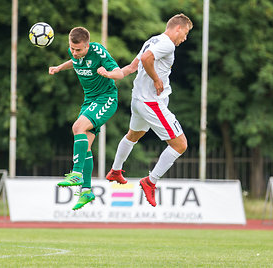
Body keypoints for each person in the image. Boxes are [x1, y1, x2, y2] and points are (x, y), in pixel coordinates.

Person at [105, 14, 193, 207]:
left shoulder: (152, 40)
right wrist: (156, 79)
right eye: (185, 33)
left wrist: (112, 74)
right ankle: (150, 181)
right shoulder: (168, 44)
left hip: (137, 100)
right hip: (151, 102)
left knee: (132, 136)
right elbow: (146, 59)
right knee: (180, 145)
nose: (184, 39)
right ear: (178, 28)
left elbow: (131, 67)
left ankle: (116, 170)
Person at [49, 26, 124, 210]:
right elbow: (75, 62)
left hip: (106, 98)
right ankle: (87, 191)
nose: (74, 53)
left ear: (87, 45)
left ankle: (77, 173)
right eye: (72, 49)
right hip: (89, 101)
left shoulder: (98, 51)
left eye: (78, 50)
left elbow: (120, 73)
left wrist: (107, 73)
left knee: (77, 128)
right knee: (86, 145)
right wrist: (59, 67)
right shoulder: (74, 52)